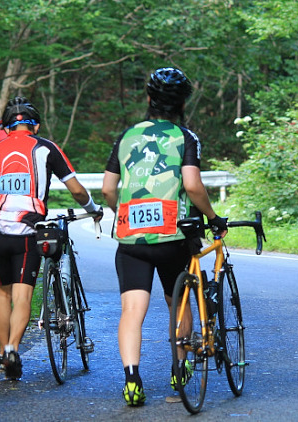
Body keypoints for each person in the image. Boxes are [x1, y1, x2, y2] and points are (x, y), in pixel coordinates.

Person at [100, 67, 228, 407]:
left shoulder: (127, 136)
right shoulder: (185, 137)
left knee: (132, 310)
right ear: (183, 104)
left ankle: (131, 380)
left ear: (149, 99)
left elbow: (108, 189)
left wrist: (121, 211)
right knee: (179, 303)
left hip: (131, 240)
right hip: (174, 237)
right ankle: (179, 367)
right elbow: (192, 185)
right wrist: (213, 217)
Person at [0, 96, 102, 380]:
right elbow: (77, 191)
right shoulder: (46, 147)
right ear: (35, 125)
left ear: (7, 127)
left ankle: (3, 352)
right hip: (28, 230)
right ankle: (13, 347)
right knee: (23, 295)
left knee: (3, 291)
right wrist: (92, 209)